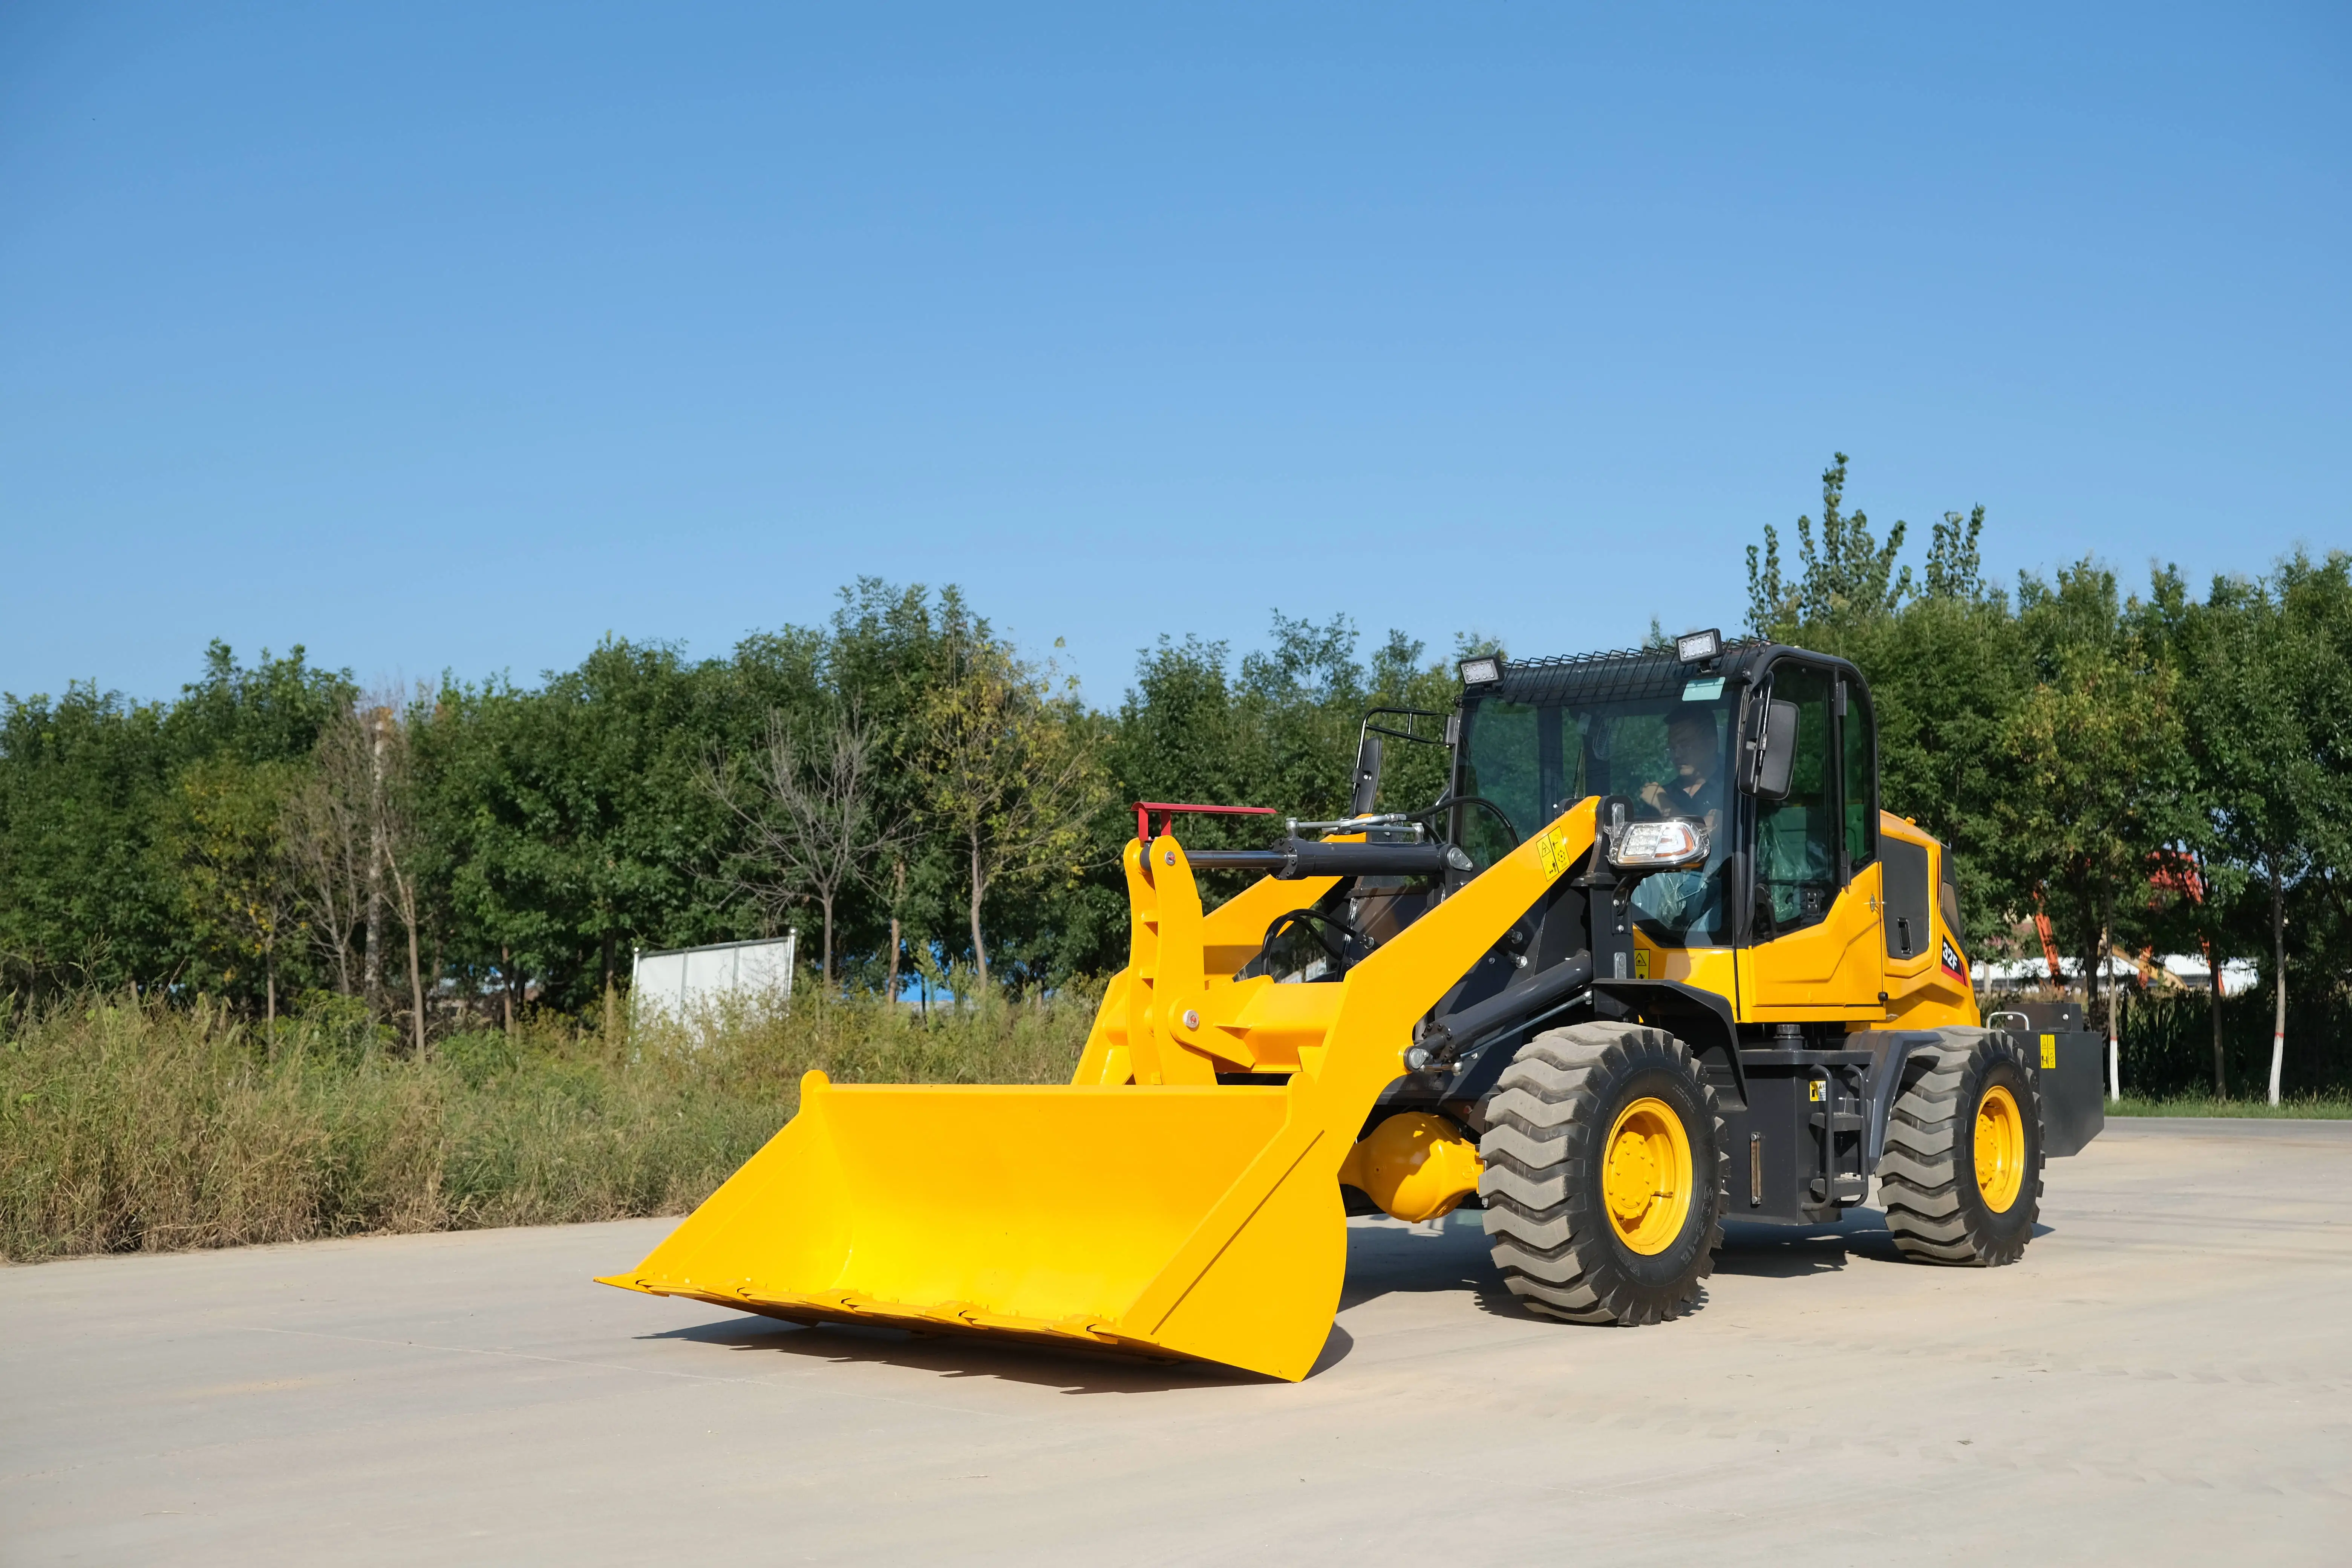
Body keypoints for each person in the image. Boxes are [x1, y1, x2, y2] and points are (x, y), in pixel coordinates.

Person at [1638, 704, 1723, 841]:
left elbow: (1705, 840)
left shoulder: (1734, 788)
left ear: (1711, 744)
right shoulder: (1665, 794)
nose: (1677, 755)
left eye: (1686, 746)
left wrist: (1664, 805)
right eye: (1672, 748)